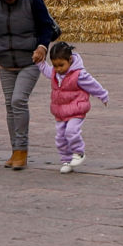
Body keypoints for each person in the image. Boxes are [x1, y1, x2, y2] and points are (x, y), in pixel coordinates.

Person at [0, 0, 58, 170]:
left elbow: (46, 26)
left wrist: (42, 47)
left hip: (30, 60)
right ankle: (14, 149)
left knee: (18, 100)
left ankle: (22, 150)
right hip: (5, 62)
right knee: (9, 105)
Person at [36, 39, 110, 172]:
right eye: (55, 65)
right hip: (60, 111)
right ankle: (66, 161)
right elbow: (46, 70)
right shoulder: (54, 72)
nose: (58, 69)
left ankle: (79, 152)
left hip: (76, 109)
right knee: (60, 137)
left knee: (71, 131)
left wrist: (103, 95)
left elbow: (93, 85)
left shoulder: (79, 74)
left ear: (70, 60)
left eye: (61, 65)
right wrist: (39, 62)